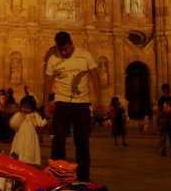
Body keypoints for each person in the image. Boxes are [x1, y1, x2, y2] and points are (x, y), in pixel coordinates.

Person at [43, 31, 102, 182]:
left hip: (81, 103)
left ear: (71, 43)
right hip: (61, 102)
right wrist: (45, 104)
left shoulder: (85, 55)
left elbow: (95, 76)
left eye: (67, 49)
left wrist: (99, 100)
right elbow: (48, 82)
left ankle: (84, 176)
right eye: (61, 50)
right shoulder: (53, 59)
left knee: (82, 140)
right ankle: (57, 174)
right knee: (59, 139)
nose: (64, 52)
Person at [9, 95, 46, 165]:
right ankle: (17, 160)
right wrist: (20, 116)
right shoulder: (18, 115)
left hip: (31, 137)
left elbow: (40, 123)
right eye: (24, 107)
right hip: (20, 136)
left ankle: (28, 161)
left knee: (30, 149)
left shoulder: (34, 115)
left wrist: (45, 120)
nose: (26, 110)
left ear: (32, 108)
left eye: (28, 108)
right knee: (18, 148)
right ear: (21, 107)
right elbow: (13, 124)